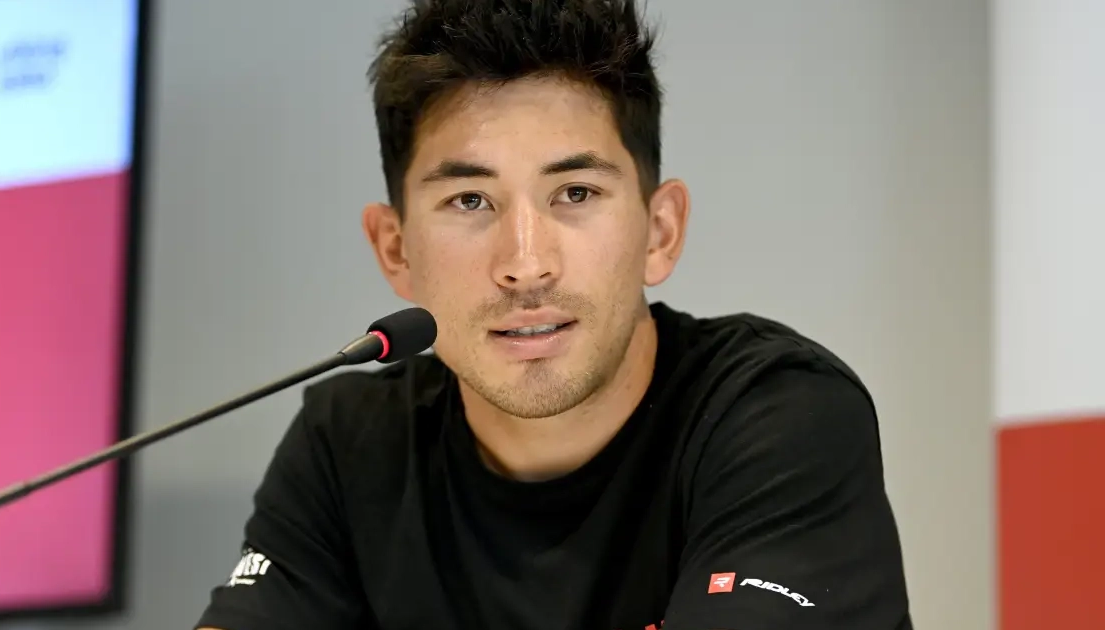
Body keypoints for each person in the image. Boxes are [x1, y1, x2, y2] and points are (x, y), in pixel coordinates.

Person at [194, 1, 912, 628]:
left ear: (660, 231)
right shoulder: (348, 443)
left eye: (574, 193)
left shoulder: (778, 414)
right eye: (470, 201)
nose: (526, 263)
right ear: (395, 249)